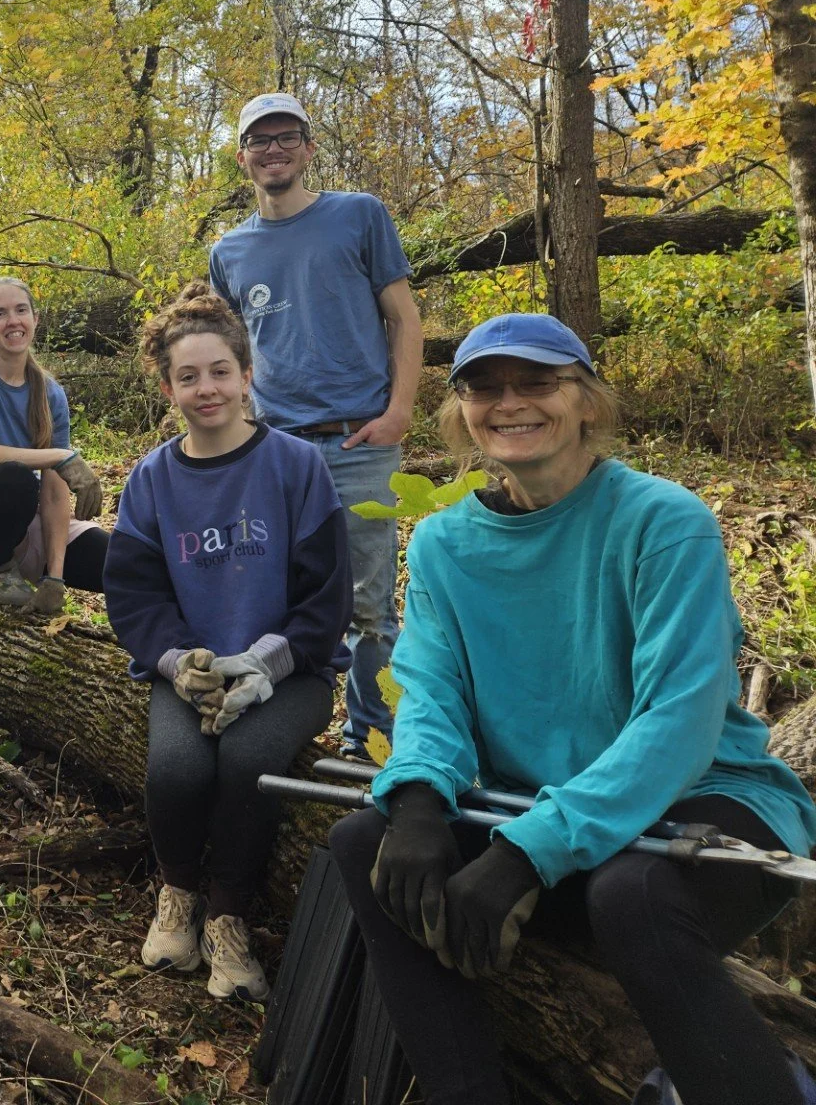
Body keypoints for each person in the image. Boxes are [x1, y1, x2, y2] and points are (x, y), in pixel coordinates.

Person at [326, 312, 816, 1105]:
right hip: (537, 811)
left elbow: (678, 724)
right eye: (484, 388)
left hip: (705, 805)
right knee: (365, 840)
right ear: (461, 414)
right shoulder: (447, 544)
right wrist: (417, 798)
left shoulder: (663, 523)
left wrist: (525, 854)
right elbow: (432, 690)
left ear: (587, 401)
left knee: (631, 894)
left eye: (537, 382)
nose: (509, 403)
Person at [104, 283, 352, 1004]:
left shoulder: (296, 467)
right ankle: (177, 894)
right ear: (167, 388)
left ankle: (228, 918)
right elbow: (135, 595)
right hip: (193, 669)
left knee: (249, 761)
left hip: (290, 670)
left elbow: (326, 597)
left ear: (248, 375)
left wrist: (266, 664)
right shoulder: (152, 480)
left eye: (220, 371)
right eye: (188, 376)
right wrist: (182, 665)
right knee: (179, 769)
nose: (205, 388)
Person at [207, 91, 421, 760]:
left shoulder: (357, 216)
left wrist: (398, 412)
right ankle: (285, 734)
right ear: (243, 157)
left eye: (286, 137)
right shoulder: (230, 251)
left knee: (368, 607)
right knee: (277, 595)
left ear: (308, 146)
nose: (273, 150)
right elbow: (228, 355)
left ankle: (370, 746)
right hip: (275, 448)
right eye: (259, 140)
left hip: (359, 439)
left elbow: (405, 318)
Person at [0, 276, 108, 616]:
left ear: (35, 319)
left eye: (21, 310)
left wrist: (55, 577)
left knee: (125, 562)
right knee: (14, 478)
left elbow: (55, 496)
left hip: (27, 527)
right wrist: (60, 456)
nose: (13, 320)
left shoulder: (51, 394)